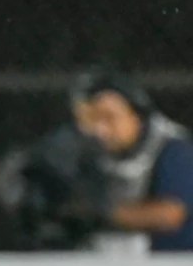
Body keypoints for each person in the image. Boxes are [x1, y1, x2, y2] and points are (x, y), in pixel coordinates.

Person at [69, 71, 193, 252]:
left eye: (109, 117)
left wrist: (101, 213)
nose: (100, 129)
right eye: (91, 120)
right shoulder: (86, 153)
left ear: (136, 115)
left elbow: (170, 214)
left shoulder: (173, 150)